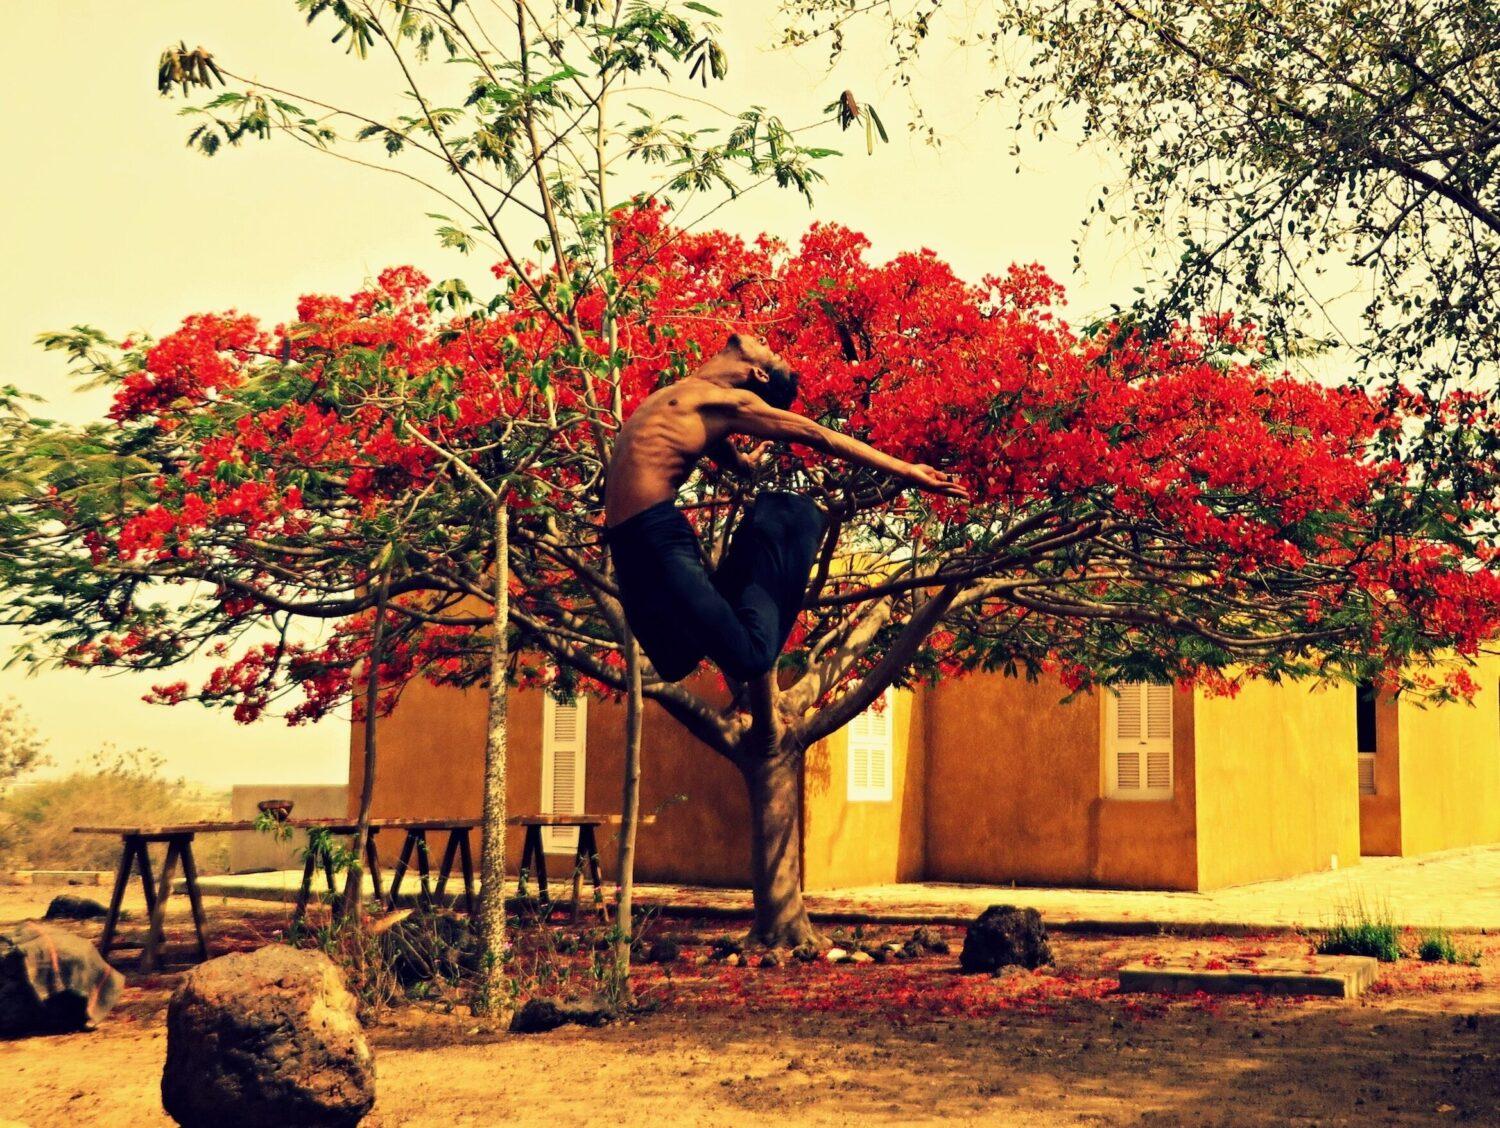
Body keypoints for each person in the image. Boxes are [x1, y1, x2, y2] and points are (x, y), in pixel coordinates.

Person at [604, 333, 968, 683]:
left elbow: (818, 434)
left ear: (759, 374)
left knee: (751, 659)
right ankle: (746, 559)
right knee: (673, 662)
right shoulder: (691, 395)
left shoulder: (731, 403)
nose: (765, 341)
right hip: (625, 540)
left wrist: (906, 469)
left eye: (771, 353)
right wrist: (743, 463)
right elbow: (716, 444)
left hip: (656, 534)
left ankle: (783, 523)